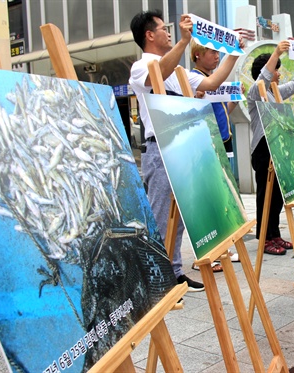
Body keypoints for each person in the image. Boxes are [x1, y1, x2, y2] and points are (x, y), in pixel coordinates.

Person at [128, 10, 242, 292]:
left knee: (179, 218)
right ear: (149, 35)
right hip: (160, 149)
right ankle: (157, 279)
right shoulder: (141, 67)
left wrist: (235, 53)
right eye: (163, 29)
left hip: (184, 147)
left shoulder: (179, 71)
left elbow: (211, 84)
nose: (168, 32)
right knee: (161, 216)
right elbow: (156, 74)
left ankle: (175, 271)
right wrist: (184, 41)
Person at [247, 40, 294, 255]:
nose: (278, 73)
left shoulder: (275, 92)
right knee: (265, 196)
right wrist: (277, 52)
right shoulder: (255, 92)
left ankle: (274, 234)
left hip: (277, 148)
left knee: (276, 195)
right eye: (276, 69)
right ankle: (264, 238)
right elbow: (263, 79)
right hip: (262, 150)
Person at [189, 41, 243, 268]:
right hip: (206, 143)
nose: (216, 56)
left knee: (223, 195)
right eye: (212, 52)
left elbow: (223, 112)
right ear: (197, 55)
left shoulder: (216, 82)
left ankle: (224, 248)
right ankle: (210, 252)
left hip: (223, 140)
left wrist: (231, 101)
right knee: (209, 197)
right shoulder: (194, 79)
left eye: (218, 52)